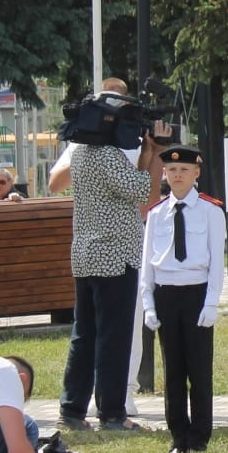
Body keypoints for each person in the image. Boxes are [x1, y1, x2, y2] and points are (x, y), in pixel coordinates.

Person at [60, 81, 162, 433]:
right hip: (114, 257)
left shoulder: (81, 155)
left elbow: (133, 185)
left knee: (84, 333)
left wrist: (146, 153)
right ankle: (113, 413)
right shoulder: (107, 156)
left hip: (86, 256)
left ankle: (72, 408)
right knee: (113, 338)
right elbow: (142, 190)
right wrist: (154, 154)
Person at [140, 144, 227, 453]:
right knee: (173, 370)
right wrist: (148, 304)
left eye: (184, 170)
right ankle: (178, 436)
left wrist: (212, 302)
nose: (178, 175)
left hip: (196, 292)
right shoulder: (156, 214)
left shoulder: (211, 210)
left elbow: (217, 261)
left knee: (199, 369)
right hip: (166, 293)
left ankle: (200, 435)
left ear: (196, 173)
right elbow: (147, 262)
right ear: (165, 173)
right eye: (172, 170)